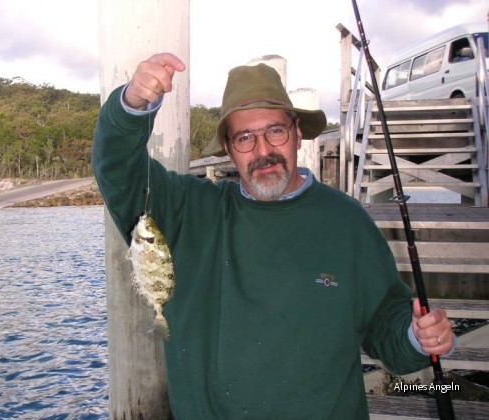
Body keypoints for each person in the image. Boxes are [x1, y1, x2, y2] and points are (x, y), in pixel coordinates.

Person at [93, 53, 455, 419]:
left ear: (297, 133)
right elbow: (118, 168)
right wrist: (133, 104)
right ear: (230, 150)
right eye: (245, 138)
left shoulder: (348, 223)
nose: (263, 151)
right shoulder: (186, 211)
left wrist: (418, 337)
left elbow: (386, 326)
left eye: (275, 131)